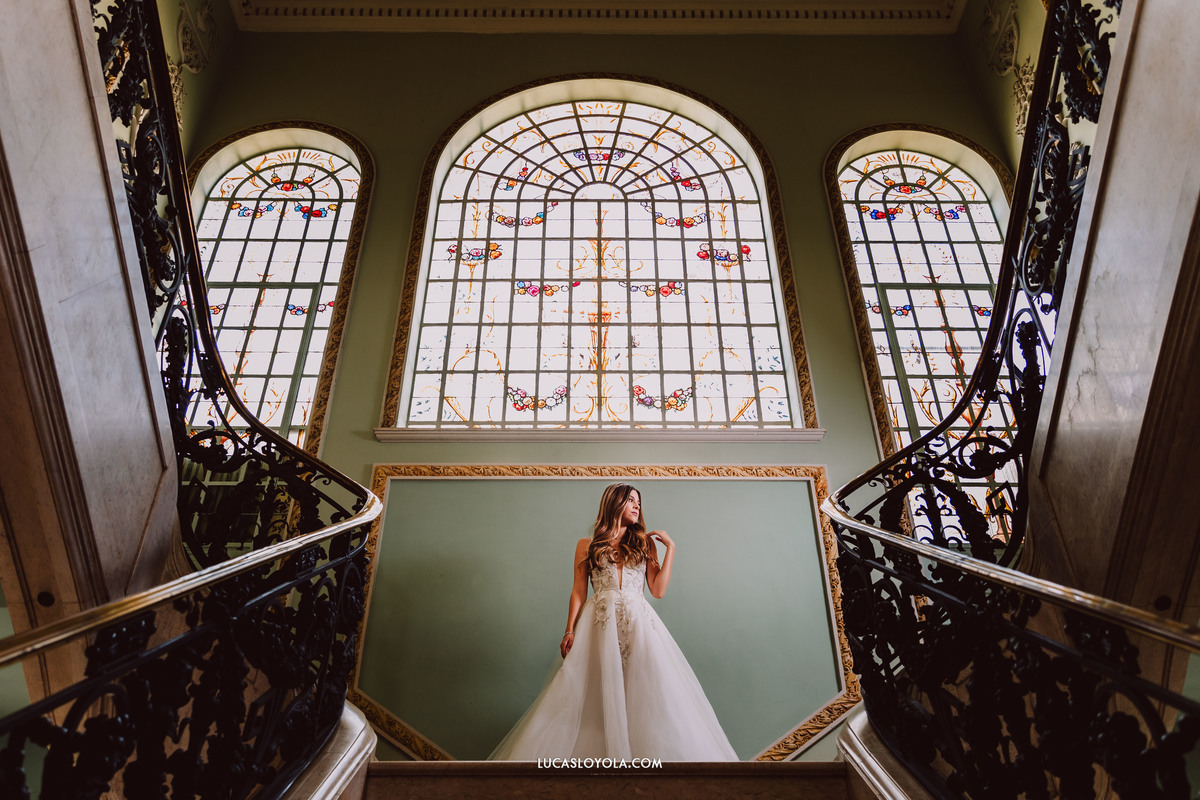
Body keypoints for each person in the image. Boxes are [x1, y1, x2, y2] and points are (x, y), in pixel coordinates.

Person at [489, 483, 738, 761]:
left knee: (645, 690)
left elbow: (657, 590)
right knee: (593, 693)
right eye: (631, 500)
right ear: (614, 502)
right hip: (599, 625)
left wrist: (671, 548)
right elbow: (579, 590)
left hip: (639, 627)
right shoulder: (587, 545)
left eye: (639, 502)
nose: (637, 506)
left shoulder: (644, 544)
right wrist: (569, 629)